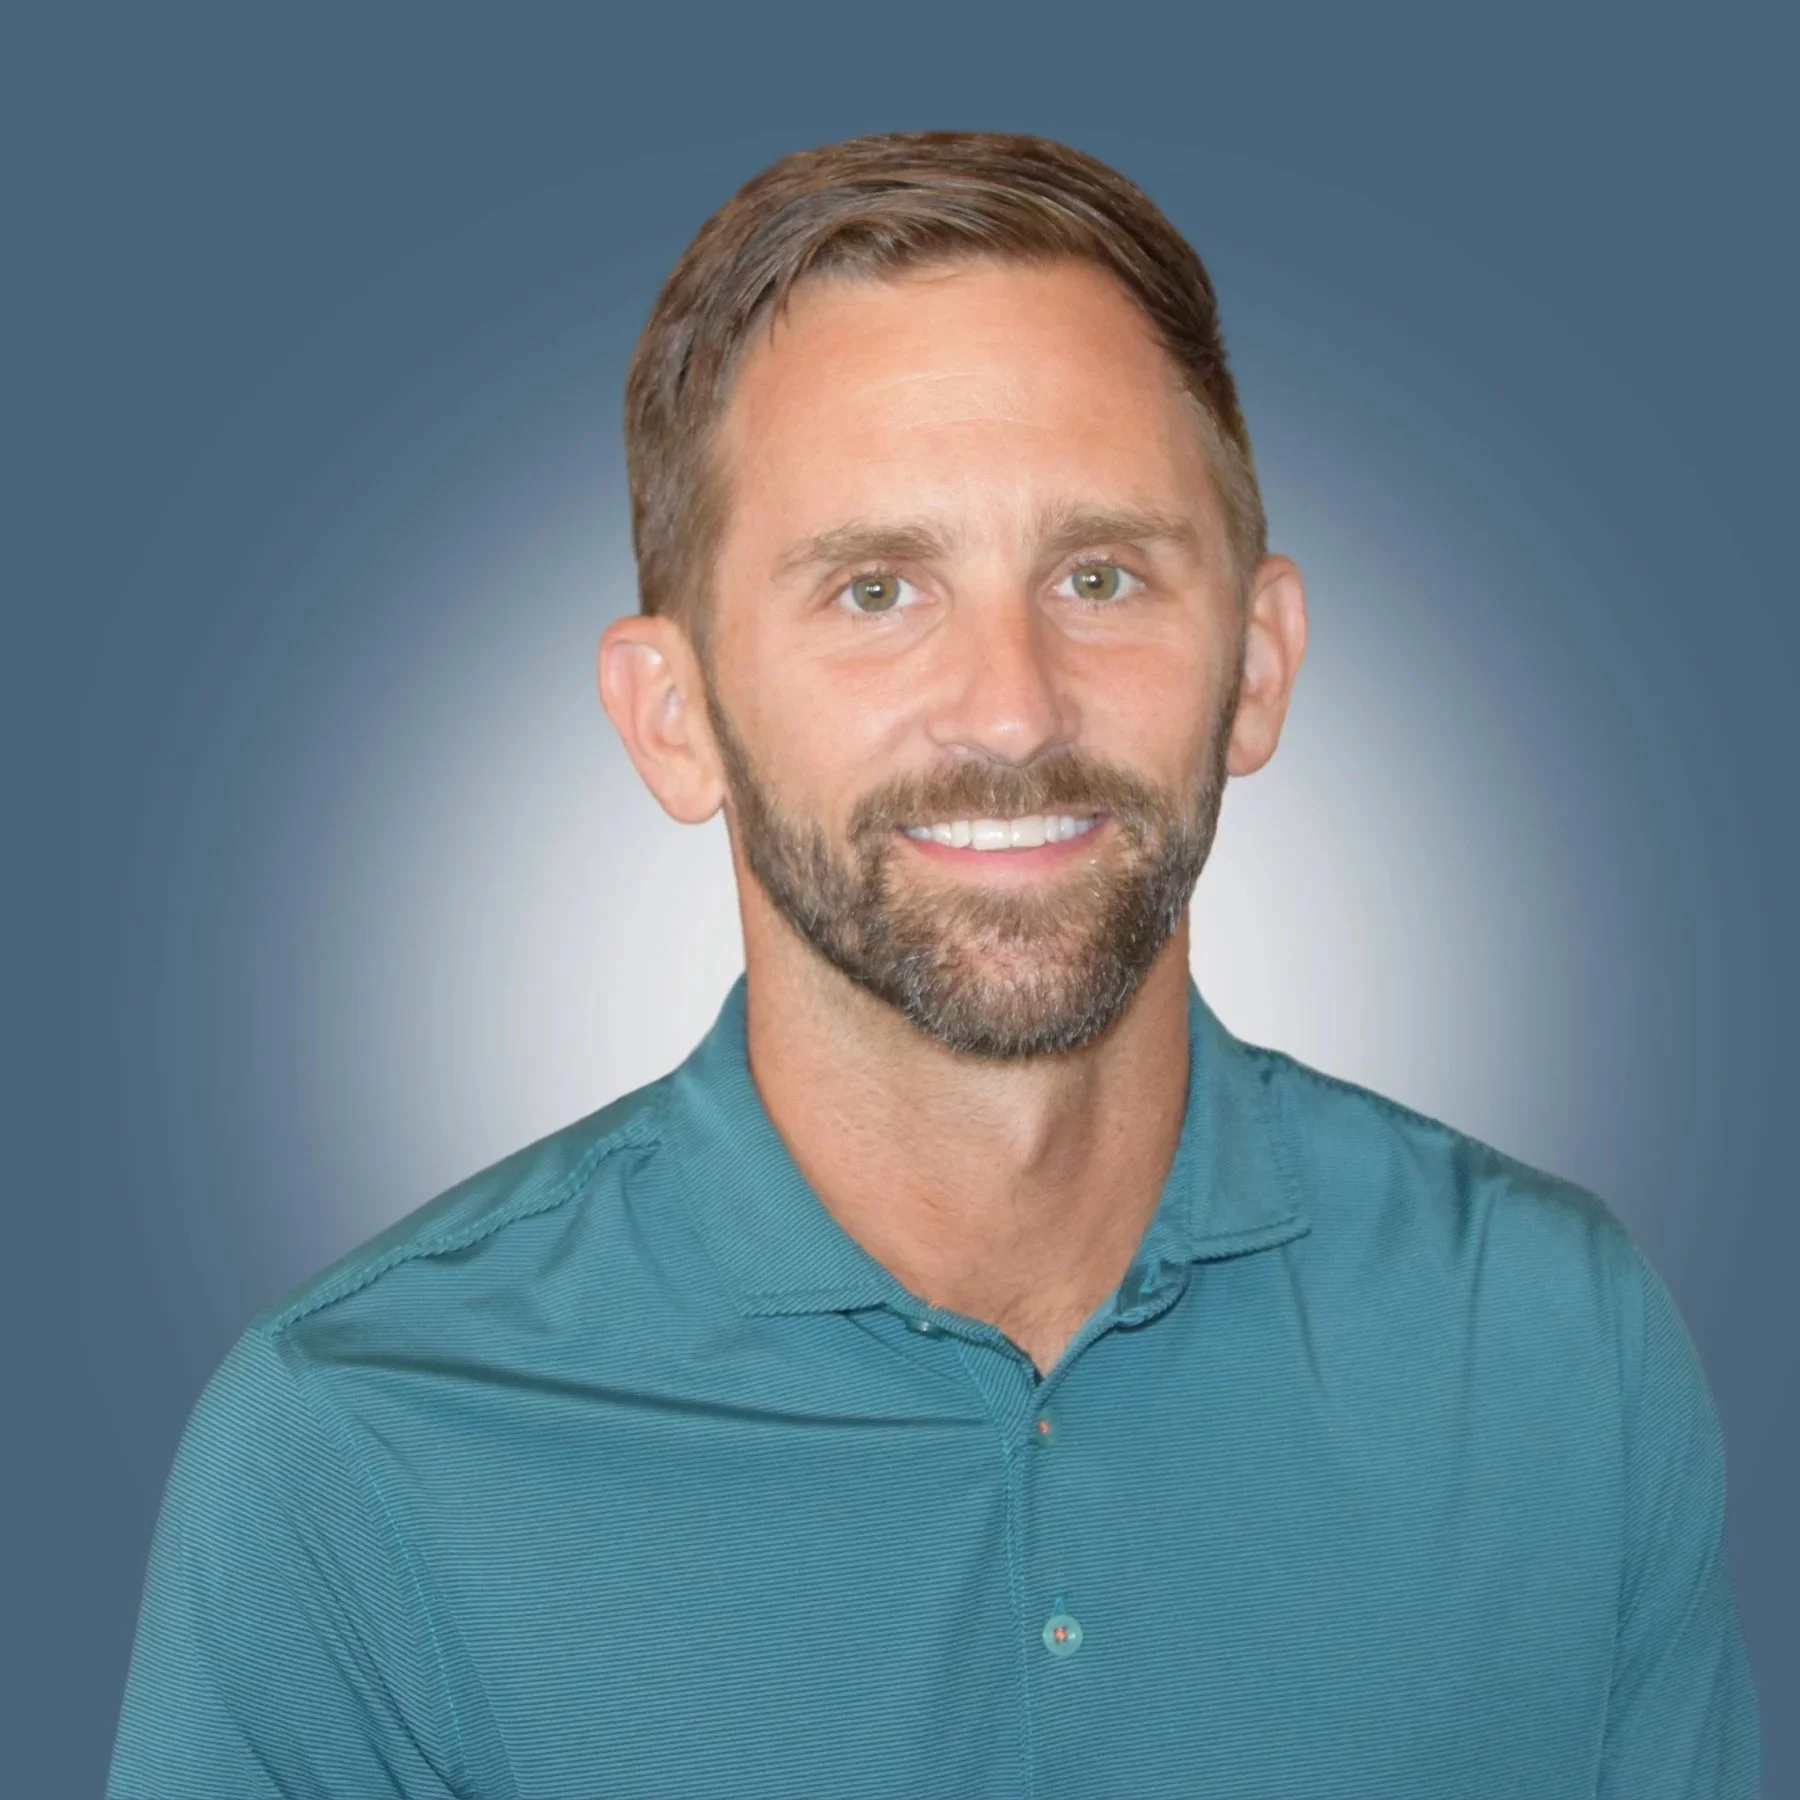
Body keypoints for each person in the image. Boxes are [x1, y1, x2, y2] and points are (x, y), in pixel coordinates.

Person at [108, 132, 1759, 1799]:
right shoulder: (353, 1455)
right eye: (877, 588)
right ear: (671, 721)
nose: (1014, 707)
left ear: (1256, 669)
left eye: (1100, 576)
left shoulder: (1558, 1344)